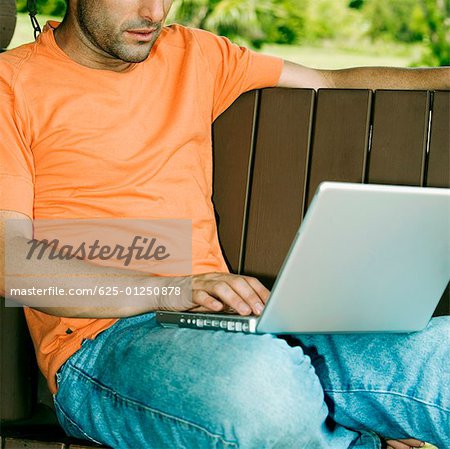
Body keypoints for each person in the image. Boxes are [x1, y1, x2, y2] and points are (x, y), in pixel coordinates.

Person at [0, 1, 448, 448]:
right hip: (106, 345)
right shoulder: (11, 84)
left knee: (441, 355)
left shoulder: (195, 55)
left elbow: (328, 80)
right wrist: (177, 287)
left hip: (241, 325)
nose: (154, 12)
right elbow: (13, 264)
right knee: (262, 390)